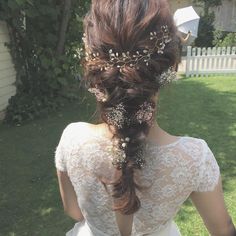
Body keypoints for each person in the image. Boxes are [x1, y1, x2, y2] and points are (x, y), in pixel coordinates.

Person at [54, 0, 236, 235]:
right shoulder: (194, 157)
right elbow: (223, 230)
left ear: (93, 68)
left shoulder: (71, 138)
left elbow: (74, 212)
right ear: (169, 68)